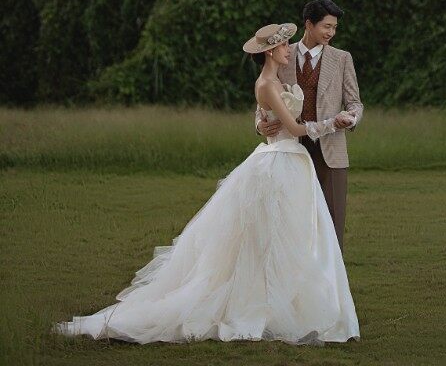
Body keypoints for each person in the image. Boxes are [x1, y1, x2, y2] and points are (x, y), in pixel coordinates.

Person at [55, 23, 359, 344]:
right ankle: (261, 300)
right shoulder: (267, 83)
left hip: (287, 160)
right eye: (284, 46)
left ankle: (281, 295)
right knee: (268, 235)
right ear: (271, 51)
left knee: (282, 235)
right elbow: (295, 130)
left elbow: (267, 114)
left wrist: (261, 121)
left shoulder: (273, 80)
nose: (289, 49)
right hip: (280, 160)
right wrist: (331, 123)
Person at [256, 0, 363, 247]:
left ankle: (331, 285)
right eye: (326, 26)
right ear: (309, 24)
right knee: (290, 224)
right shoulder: (282, 53)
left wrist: (352, 118)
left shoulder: (342, 58)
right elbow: (265, 96)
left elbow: (355, 102)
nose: (331, 32)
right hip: (290, 152)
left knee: (332, 224)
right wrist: (259, 125)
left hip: (331, 151)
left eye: (334, 27)